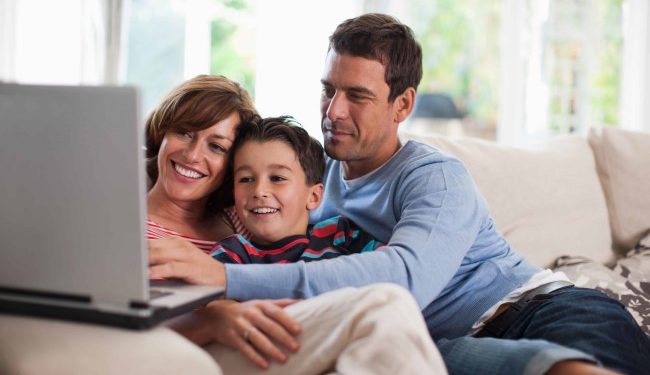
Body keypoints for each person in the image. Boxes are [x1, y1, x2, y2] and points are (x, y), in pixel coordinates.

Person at [150, 14, 650, 375]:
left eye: (358, 96)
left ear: (402, 104)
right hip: (439, 342)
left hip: (540, 310)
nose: (334, 112)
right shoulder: (306, 178)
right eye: (329, 90)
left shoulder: (434, 177)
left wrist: (224, 279)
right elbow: (236, 169)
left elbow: (404, 279)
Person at [145, 74, 447, 374]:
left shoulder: (241, 217)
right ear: (162, 131)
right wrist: (210, 321)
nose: (193, 154)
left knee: (384, 320)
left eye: (217, 147)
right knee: (385, 304)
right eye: (184, 132)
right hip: (205, 354)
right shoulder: (129, 229)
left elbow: (293, 194)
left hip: (287, 337)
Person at [211, 115, 384, 265]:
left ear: (314, 196)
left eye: (277, 178)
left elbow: (390, 271)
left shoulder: (340, 234)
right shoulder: (230, 255)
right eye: (246, 179)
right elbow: (214, 302)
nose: (259, 191)